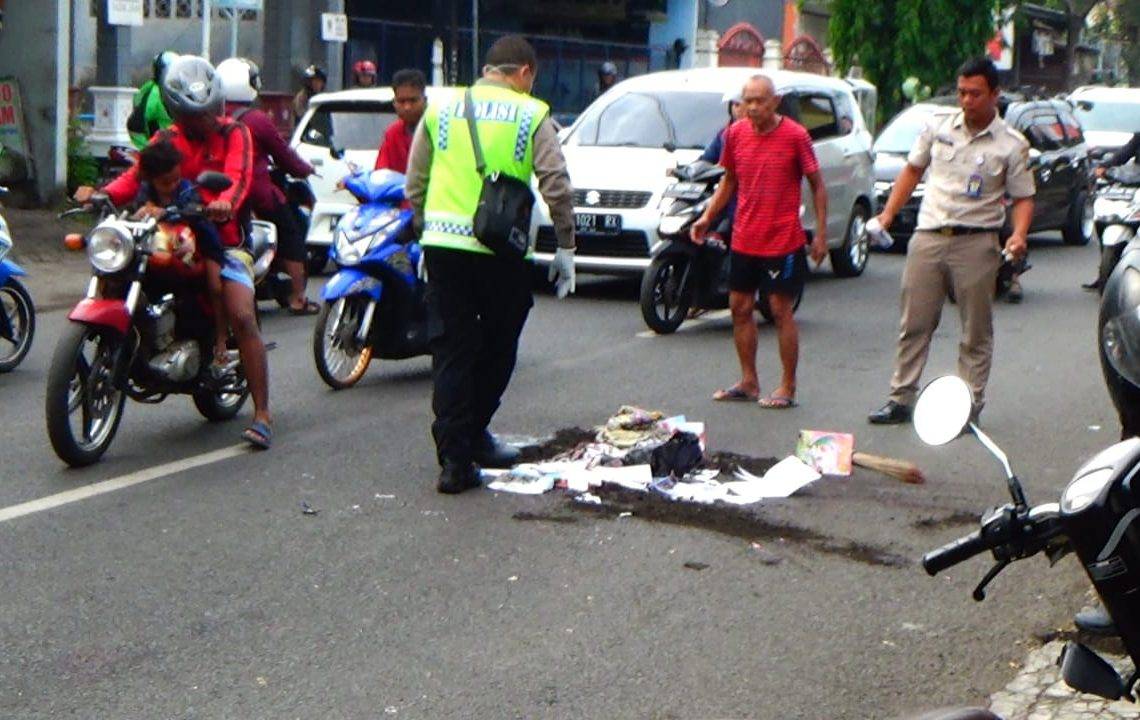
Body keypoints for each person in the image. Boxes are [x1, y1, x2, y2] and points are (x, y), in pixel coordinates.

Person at [405, 34, 576, 494]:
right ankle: (472, 432)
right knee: (499, 344)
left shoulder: (441, 108)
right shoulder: (532, 112)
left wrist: (425, 232)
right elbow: (556, 183)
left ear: (486, 70)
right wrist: (566, 245)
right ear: (525, 72)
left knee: (451, 349)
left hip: (443, 245)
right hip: (502, 248)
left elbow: (415, 180)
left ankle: (455, 459)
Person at [76, 56, 273, 450]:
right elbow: (135, 175)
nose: (202, 121)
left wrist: (223, 204)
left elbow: (238, 180)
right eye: (192, 115)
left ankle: (263, 415)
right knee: (119, 271)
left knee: (241, 313)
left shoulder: (235, 133)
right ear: (176, 112)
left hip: (224, 240)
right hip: (164, 233)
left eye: (207, 112)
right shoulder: (165, 139)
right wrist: (99, 194)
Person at [868, 57, 1034, 426]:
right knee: (914, 323)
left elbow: (1023, 197)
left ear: (994, 94)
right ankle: (900, 398)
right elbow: (913, 170)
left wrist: (1019, 234)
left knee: (975, 330)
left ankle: (968, 407)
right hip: (929, 236)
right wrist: (888, 214)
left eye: (975, 94)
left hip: (976, 242)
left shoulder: (1011, 144)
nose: (967, 100)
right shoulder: (937, 127)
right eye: (962, 93)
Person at [690, 74, 828, 409]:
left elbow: (817, 184)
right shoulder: (734, 134)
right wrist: (707, 217)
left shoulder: (795, 136)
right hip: (745, 237)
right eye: (746, 101)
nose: (751, 107)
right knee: (740, 307)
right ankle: (748, 381)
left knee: (780, 310)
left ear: (775, 102)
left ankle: (787, 386)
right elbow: (729, 180)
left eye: (759, 101)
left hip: (782, 239)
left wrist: (821, 234)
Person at [218, 57, 319, 315]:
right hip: (257, 193)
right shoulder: (257, 119)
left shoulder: (211, 117)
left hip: (219, 194)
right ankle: (298, 298)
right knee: (291, 236)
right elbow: (284, 155)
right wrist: (305, 169)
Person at [374, 68, 428, 174]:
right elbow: (381, 173)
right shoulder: (392, 133)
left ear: (424, 100)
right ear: (394, 102)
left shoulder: (439, 129)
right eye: (401, 101)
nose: (407, 107)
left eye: (413, 100)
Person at [126, 51, 178, 150]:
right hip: (161, 152)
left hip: (179, 149)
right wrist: (148, 149)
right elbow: (135, 126)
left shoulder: (179, 90)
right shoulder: (154, 93)